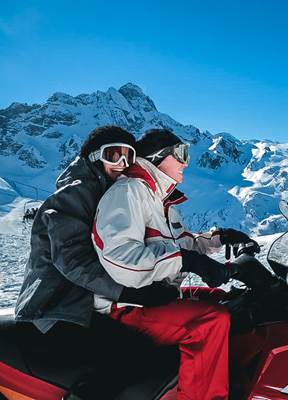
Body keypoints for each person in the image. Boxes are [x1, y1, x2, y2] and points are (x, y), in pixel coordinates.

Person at [14, 125, 179, 399]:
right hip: (50, 315)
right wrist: (129, 292)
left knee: (150, 350)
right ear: (93, 157)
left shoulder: (107, 194)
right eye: (114, 155)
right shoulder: (74, 195)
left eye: (129, 157)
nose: (123, 164)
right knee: (137, 354)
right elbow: (72, 260)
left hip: (77, 310)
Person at [92, 128, 255, 400]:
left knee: (228, 301)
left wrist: (219, 238)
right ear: (157, 157)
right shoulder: (130, 191)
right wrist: (186, 262)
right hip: (126, 304)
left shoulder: (160, 200)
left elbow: (182, 244)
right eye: (181, 153)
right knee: (209, 322)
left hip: (155, 295)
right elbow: (120, 260)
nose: (186, 162)